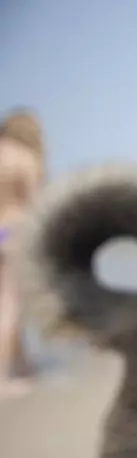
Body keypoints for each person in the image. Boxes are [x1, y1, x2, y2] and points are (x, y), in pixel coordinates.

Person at [0, 108, 44, 397]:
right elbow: (37, 204)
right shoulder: (26, 158)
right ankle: (2, 379)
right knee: (10, 306)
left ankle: (22, 363)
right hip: (11, 235)